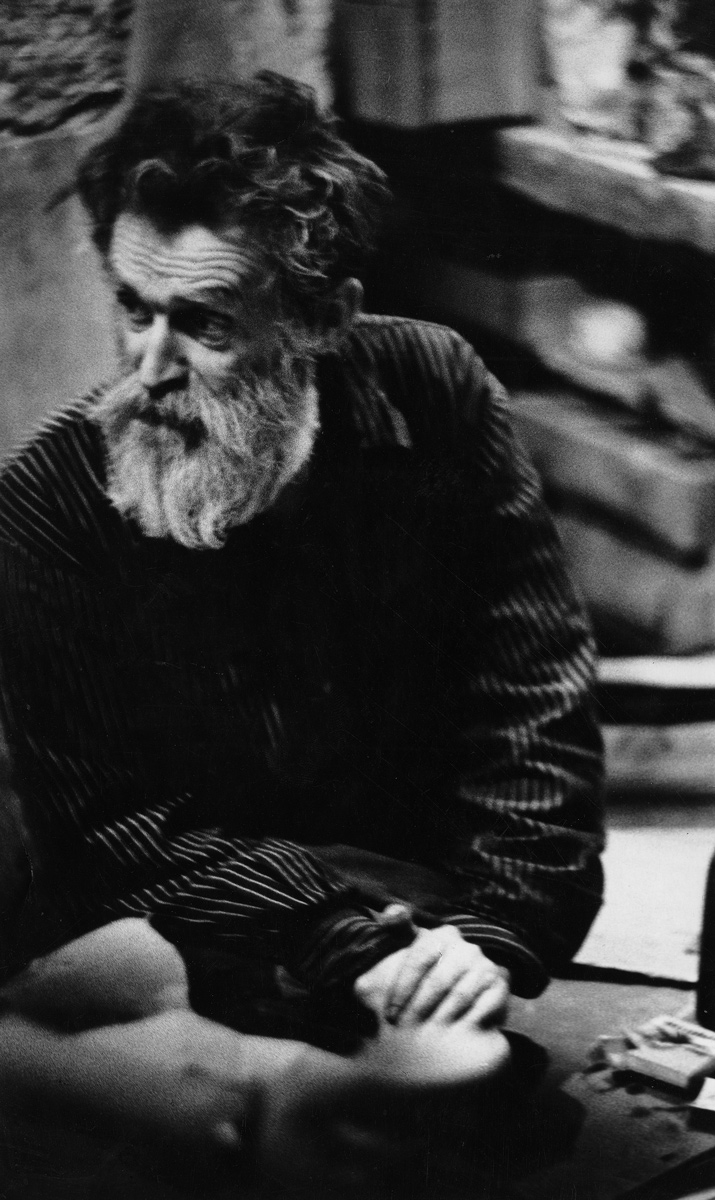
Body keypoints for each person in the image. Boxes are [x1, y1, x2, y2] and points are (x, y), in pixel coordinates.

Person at [0, 72, 604, 1193]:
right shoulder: (48, 502)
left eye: (205, 323)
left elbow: (530, 693)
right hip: (192, 931)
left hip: (425, 905)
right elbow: (109, 831)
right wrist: (348, 943)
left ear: (322, 317)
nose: (149, 368)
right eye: (133, 308)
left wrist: (499, 931)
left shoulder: (436, 390)